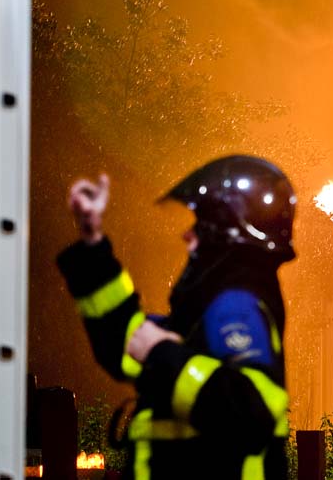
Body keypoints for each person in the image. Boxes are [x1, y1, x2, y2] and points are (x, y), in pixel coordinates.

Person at [57, 155, 296, 479]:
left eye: (198, 225)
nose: (186, 236)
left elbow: (250, 411)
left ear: (223, 232)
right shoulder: (206, 310)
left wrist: (162, 355)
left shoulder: (235, 307)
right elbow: (126, 345)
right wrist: (93, 245)